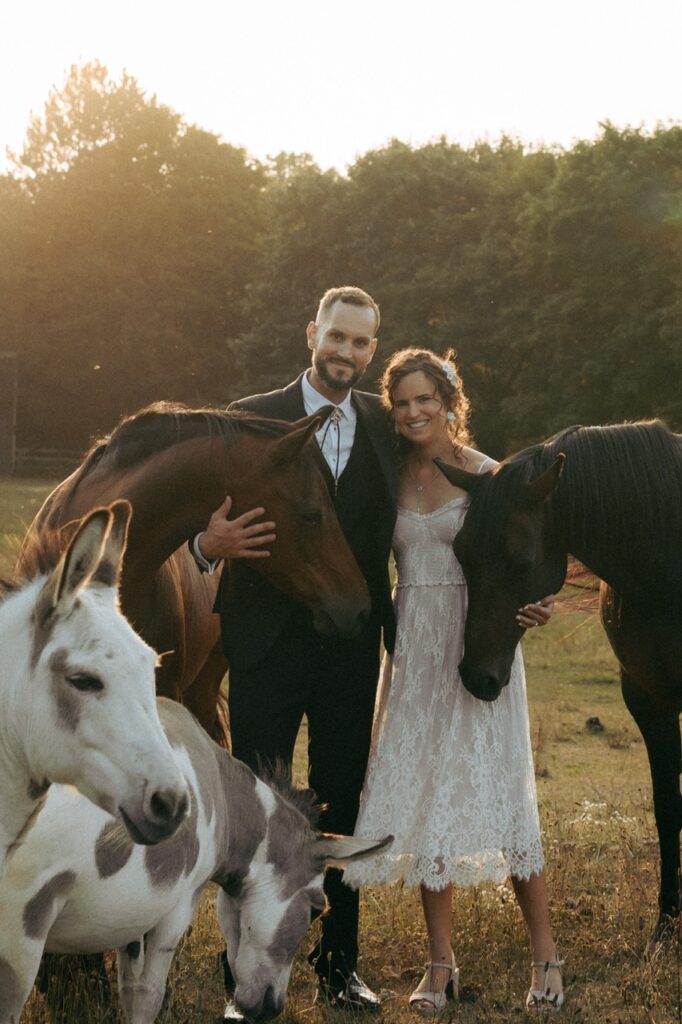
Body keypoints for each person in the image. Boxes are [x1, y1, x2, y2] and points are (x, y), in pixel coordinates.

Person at [192, 286, 399, 1017]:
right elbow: (193, 513)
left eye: (361, 342)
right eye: (337, 336)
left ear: (372, 350)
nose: (347, 351)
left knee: (342, 795)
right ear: (312, 333)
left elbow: (446, 481)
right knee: (257, 808)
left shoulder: (386, 425)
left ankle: (340, 963)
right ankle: (241, 971)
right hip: (264, 644)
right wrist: (206, 543)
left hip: (350, 647)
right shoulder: (249, 416)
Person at [343, 347, 564, 1015]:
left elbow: (531, 554)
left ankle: (546, 956)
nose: (413, 413)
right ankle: (440, 965)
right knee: (429, 800)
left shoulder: (490, 475)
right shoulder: (390, 476)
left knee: (505, 797)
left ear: (448, 403)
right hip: (413, 647)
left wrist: (541, 603)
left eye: (424, 400)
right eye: (401, 403)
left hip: (475, 642)